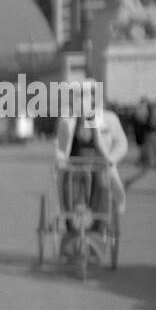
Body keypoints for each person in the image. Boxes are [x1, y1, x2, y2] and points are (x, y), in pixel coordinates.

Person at [54, 106, 128, 260]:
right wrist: (60, 157)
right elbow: (60, 146)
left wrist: (111, 159)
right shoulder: (67, 119)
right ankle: (72, 230)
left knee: (102, 186)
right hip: (73, 165)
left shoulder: (109, 118)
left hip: (99, 165)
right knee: (68, 190)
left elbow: (122, 143)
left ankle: (97, 232)